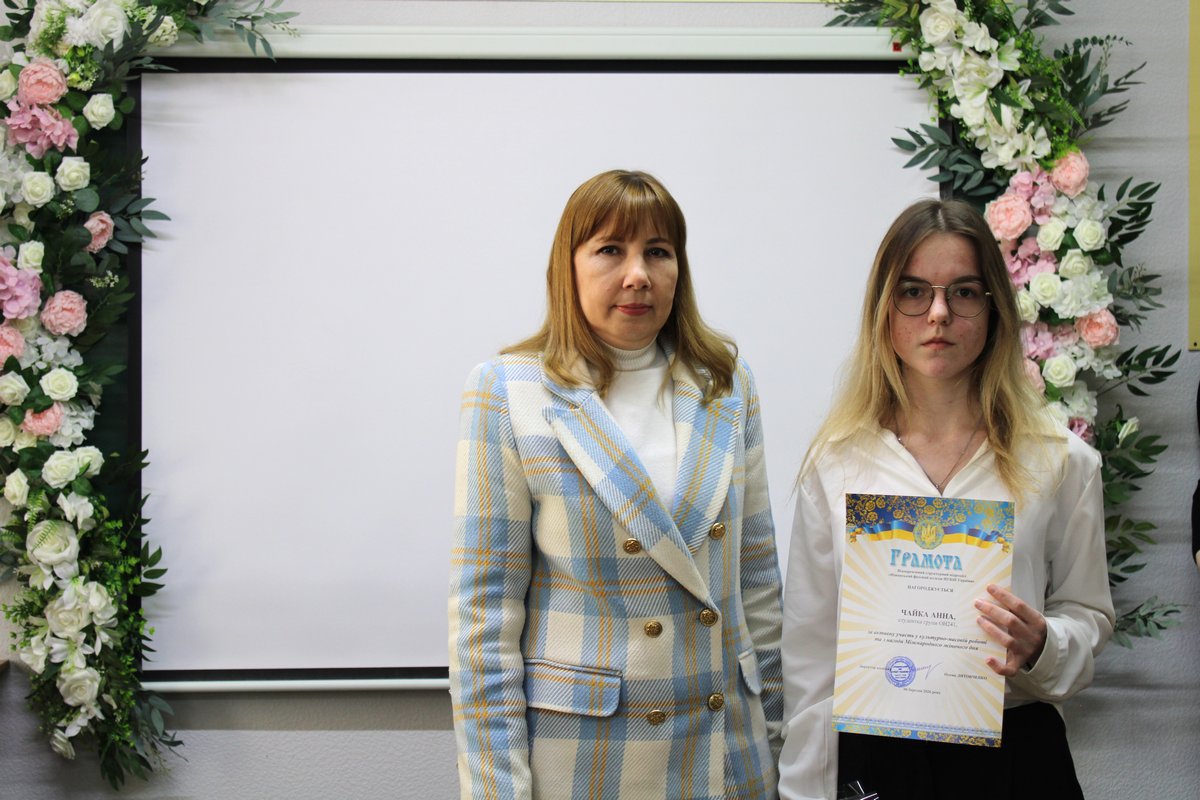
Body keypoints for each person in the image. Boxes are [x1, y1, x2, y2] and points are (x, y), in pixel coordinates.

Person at [449, 170, 784, 800]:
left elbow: (758, 581)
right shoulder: (510, 391)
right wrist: (497, 790)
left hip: (725, 752)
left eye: (658, 251)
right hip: (587, 758)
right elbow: (484, 621)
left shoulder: (726, 383)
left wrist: (776, 738)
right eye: (610, 250)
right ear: (569, 267)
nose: (638, 275)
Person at [777, 199, 1115, 800]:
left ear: (993, 308)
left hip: (1016, 757)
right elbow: (811, 657)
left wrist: (1044, 644)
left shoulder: (1060, 460)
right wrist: (803, 790)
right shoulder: (837, 463)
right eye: (913, 291)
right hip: (876, 756)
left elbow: (1089, 617)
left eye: (963, 292)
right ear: (884, 309)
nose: (938, 313)